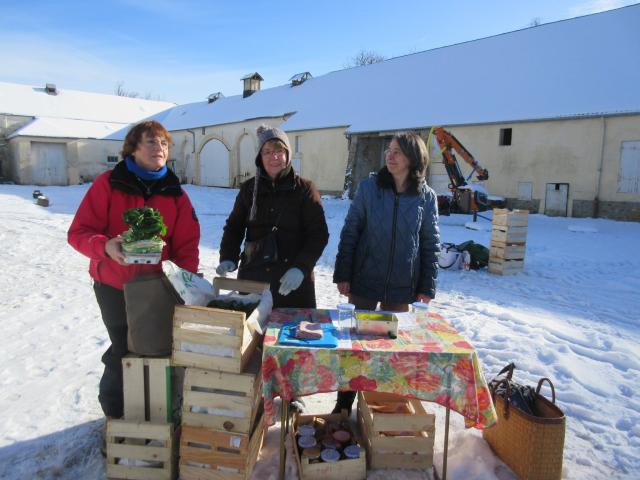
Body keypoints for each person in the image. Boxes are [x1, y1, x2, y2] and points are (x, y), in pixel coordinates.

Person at [68, 120, 200, 420]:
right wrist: (106, 247)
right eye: (152, 142)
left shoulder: (175, 193)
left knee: (155, 350)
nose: (160, 149)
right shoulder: (108, 184)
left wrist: (184, 282)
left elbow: (187, 244)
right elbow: (79, 232)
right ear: (133, 148)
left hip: (157, 289)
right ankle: (116, 417)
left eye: (164, 144)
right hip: (114, 285)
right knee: (122, 347)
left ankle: (156, 413)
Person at [332, 131, 440, 414]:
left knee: (391, 350)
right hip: (365, 281)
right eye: (388, 151)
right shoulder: (369, 189)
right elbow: (351, 231)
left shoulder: (426, 198)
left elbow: (430, 243)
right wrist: (343, 273)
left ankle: (381, 410)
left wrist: (427, 288)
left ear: (413, 159)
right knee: (354, 348)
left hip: (402, 286)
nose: (389, 156)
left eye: (397, 152)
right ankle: (343, 407)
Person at [216, 124, 329, 309]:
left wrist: (301, 268)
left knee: (291, 335)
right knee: (253, 335)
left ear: (287, 154)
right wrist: (228, 256)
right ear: (260, 157)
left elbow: (318, 234)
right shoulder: (249, 189)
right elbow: (234, 227)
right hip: (254, 280)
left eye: (279, 150)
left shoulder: (305, 189)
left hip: (292, 283)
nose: (274, 157)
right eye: (267, 152)